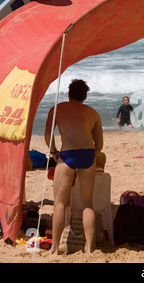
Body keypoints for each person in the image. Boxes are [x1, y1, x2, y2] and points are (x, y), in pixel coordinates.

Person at [44, 79, 103, 254]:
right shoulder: (93, 113)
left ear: (69, 94)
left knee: (60, 203)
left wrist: (54, 152)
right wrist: (90, 153)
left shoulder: (57, 109)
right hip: (87, 155)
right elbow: (99, 146)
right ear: (84, 96)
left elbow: (48, 134)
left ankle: (54, 248)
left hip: (67, 155)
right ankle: (89, 247)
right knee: (87, 204)